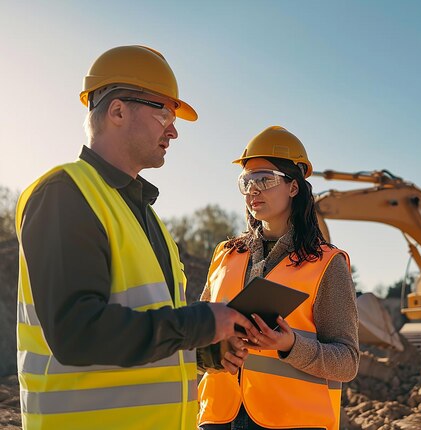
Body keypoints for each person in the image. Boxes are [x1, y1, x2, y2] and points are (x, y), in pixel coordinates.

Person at [15, 45, 260, 430]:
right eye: (163, 110)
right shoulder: (66, 194)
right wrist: (198, 323)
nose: (174, 129)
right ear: (117, 111)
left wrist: (206, 349)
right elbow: (77, 333)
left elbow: (141, 328)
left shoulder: (149, 220)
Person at [196, 126, 360, 430]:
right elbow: (196, 336)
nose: (253, 190)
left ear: (294, 187)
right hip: (218, 417)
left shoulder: (327, 264)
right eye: (246, 182)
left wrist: (290, 344)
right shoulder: (225, 254)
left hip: (292, 422)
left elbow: (347, 361)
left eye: (264, 179)